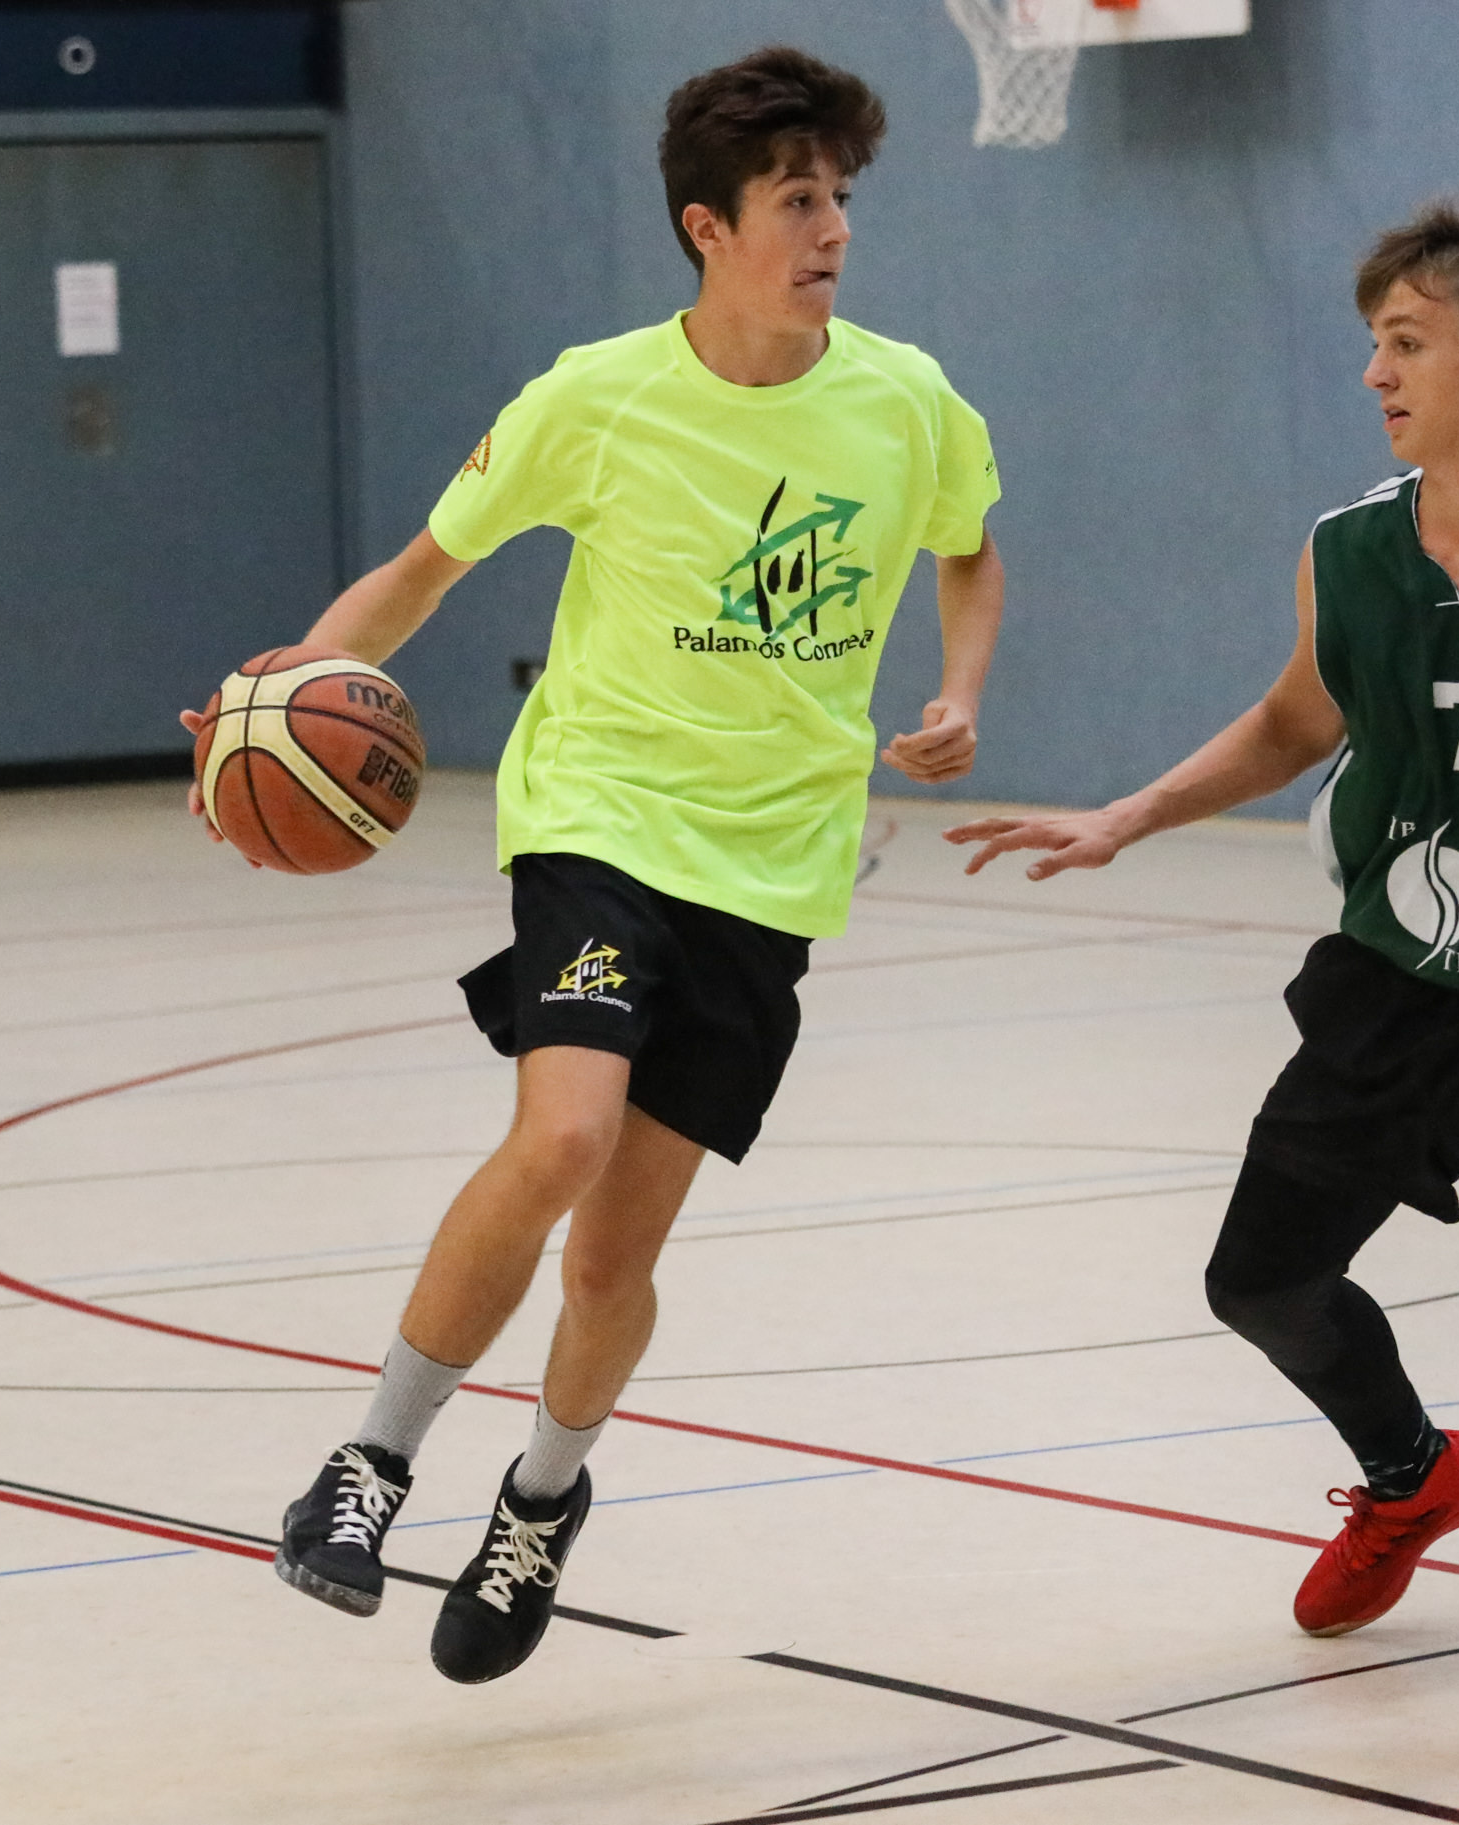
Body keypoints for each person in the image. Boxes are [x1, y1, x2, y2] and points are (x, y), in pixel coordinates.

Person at [948, 198, 1459, 1784]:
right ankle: (1410, 1472)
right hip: (1394, 986)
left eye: (1403, 343)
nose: (1373, 373)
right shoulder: (1348, 548)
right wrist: (1128, 814)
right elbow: (1294, 719)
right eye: (1371, 343)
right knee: (1257, 1280)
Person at [203, 47, 1005, 1684]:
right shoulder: (595, 396)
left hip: (771, 868)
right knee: (561, 1133)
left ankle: (542, 1499)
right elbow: (419, 572)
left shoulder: (909, 401)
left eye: (840, 196)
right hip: (601, 817)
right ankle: (366, 1463)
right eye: (797, 200)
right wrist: (265, 701)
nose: (832, 228)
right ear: (710, 227)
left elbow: (972, 551)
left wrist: (959, 693)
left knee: (616, 1257)